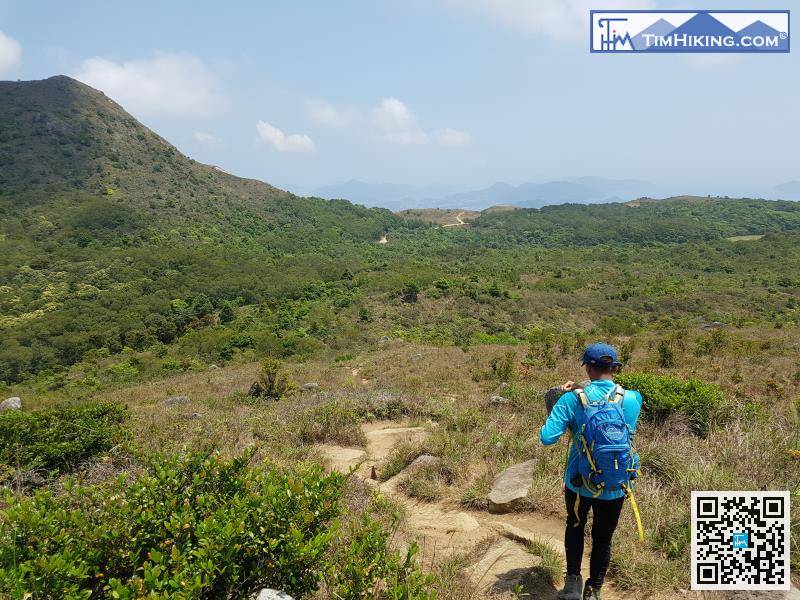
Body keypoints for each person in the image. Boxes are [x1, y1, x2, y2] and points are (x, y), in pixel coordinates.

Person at [540, 343, 642, 600]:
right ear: (614, 367)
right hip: (615, 483)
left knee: (575, 526)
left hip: (578, 482)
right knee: (603, 538)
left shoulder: (571, 399)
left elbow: (547, 437)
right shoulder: (631, 399)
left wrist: (557, 400)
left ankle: (572, 583)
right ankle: (594, 590)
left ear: (587, 366)